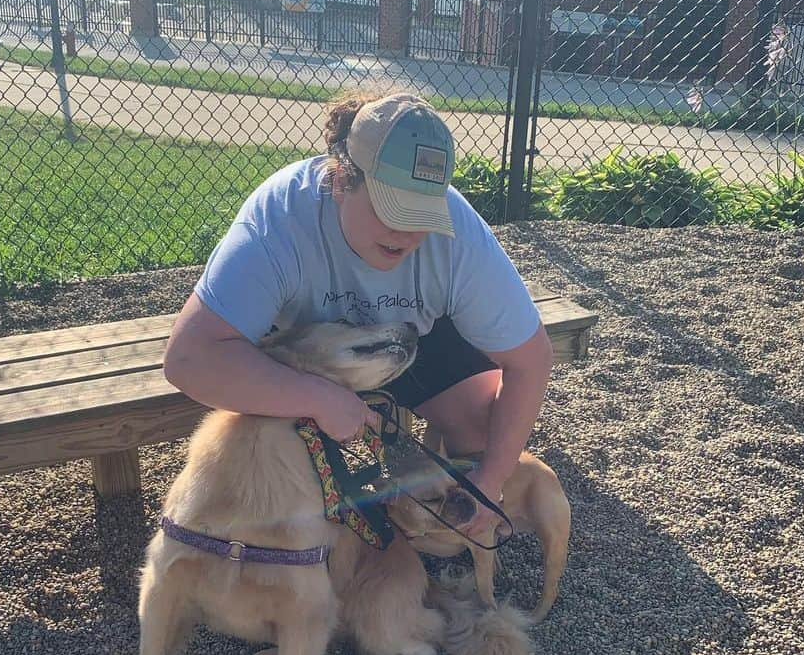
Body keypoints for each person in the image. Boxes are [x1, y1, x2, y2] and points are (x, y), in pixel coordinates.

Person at [163, 92, 554, 539]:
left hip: (414, 338)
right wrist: (317, 398)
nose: (407, 234)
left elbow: (531, 359)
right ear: (339, 180)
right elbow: (188, 358)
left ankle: (427, 545)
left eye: (422, 215)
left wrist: (492, 479)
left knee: (487, 439)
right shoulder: (281, 219)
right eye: (391, 210)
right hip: (308, 352)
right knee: (280, 485)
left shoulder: (460, 237)